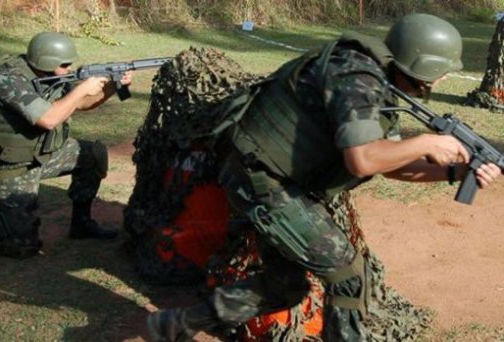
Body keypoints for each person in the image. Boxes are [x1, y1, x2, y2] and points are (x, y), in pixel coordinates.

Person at [146, 13, 501, 341]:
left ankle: (179, 324)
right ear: (423, 64)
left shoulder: (377, 83)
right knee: (347, 276)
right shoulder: (356, 76)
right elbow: (363, 160)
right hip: (262, 180)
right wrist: (425, 142)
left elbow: (386, 162)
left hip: (272, 177)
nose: (443, 79)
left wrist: (453, 171)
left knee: (285, 285)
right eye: (442, 70)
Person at [0, 31, 133, 258]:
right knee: (21, 247)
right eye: (66, 64)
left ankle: (81, 223)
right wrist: (81, 89)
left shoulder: (53, 75)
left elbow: (83, 103)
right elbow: (48, 119)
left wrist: (111, 87)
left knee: (92, 154)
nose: (70, 68)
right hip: (11, 165)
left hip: (42, 154)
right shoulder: (8, 80)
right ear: (47, 62)